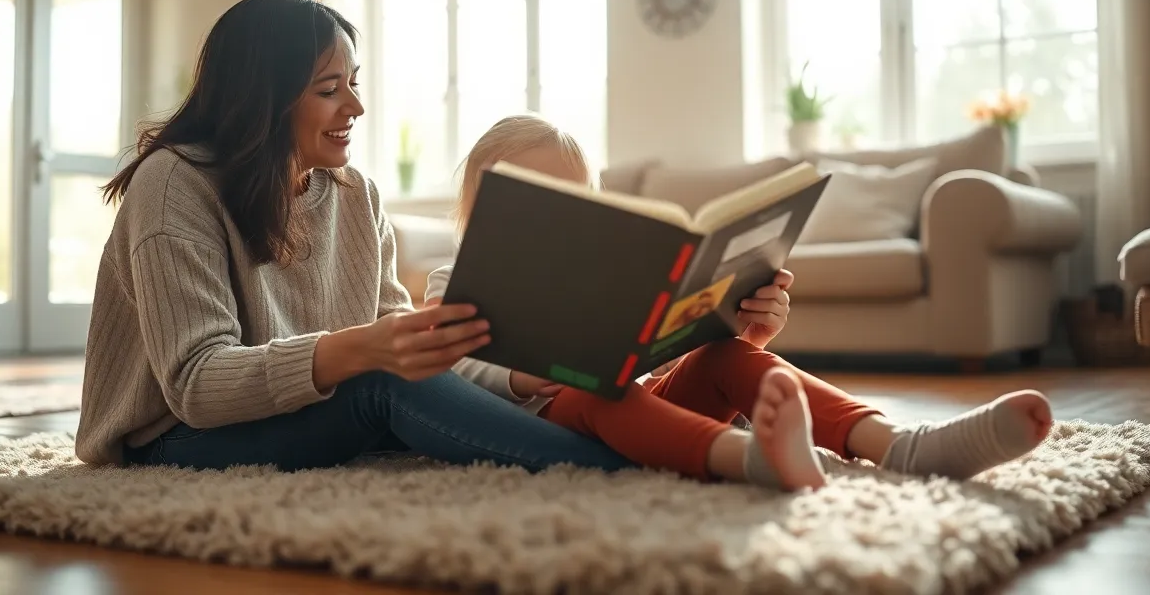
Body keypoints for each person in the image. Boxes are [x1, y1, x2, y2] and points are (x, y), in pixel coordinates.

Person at [74, 0, 644, 475]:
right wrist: (359, 350)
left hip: (303, 411)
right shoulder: (175, 184)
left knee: (414, 382)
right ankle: (617, 466)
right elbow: (197, 383)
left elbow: (389, 324)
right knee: (383, 381)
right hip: (173, 438)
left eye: (353, 82)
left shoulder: (355, 193)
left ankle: (649, 437)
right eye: (329, 89)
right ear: (262, 99)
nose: (356, 105)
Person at [428, 114, 1056, 482]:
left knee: (726, 357)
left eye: (573, 202)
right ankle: (750, 462)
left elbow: (643, 363)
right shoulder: (451, 279)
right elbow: (448, 372)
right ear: (478, 209)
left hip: (632, 413)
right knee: (597, 390)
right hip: (543, 427)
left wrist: (733, 328)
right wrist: (523, 373)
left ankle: (900, 445)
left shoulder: (598, 267)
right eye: (534, 200)